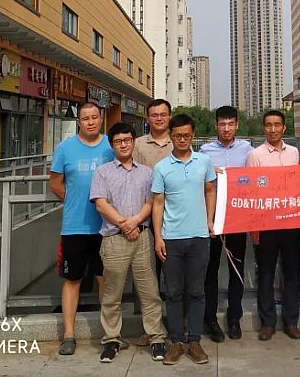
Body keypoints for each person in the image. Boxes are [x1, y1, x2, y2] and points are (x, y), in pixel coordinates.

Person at [90, 122, 166, 363]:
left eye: (127, 140)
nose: (123, 145)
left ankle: (156, 337)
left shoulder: (146, 173)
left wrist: (134, 222)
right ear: (112, 144)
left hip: (142, 238)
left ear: (134, 142)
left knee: (150, 292)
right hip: (114, 239)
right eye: (118, 141)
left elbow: (151, 202)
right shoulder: (102, 172)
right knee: (112, 294)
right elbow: (101, 204)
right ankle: (111, 340)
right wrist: (125, 224)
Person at [49, 102, 115, 356]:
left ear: (101, 119)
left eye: (94, 117)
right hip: (74, 226)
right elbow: (55, 184)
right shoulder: (65, 148)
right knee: (72, 279)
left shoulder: (111, 146)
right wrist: (75, 201)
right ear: (79, 121)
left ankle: (110, 334)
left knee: (105, 279)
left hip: (106, 226)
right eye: (85, 118)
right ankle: (69, 335)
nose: (90, 122)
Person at [152, 114, 216, 365]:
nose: (182, 139)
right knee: (173, 292)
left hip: (199, 236)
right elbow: (158, 203)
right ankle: (177, 342)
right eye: (177, 135)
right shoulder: (161, 167)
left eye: (186, 135)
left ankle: (195, 342)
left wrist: (209, 221)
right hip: (171, 238)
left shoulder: (204, 161)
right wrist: (158, 236)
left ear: (193, 135)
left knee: (197, 291)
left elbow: (210, 191)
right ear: (170, 136)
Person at [246, 110, 300, 341]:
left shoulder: (295, 153)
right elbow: (251, 191)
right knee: (266, 273)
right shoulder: (255, 155)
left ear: (284, 128)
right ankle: (267, 322)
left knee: (292, 273)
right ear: (263, 128)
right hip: (266, 223)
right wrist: (254, 226)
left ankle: (291, 321)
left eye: (277, 124)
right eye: (268, 125)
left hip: (291, 222)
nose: (273, 129)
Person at [199, 106, 253, 342]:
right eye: (222, 124)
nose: (227, 128)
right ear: (216, 126)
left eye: (231, 124)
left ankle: (234, 318)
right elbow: (198, 179)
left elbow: (260, 176)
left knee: (236, 269)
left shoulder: (248, 150)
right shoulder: (204, 152)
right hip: (211, 217)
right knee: (210, 270)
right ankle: (210, 320)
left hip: (237, 216)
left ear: (237, 125)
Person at [133, 98, 174, 346]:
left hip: (174, 220)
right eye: (154, 115)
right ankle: (151, 329)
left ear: (170, 117)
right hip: (145, 220)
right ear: (148, 118)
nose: (159, 119)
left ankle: (177, 326)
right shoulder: (137, 145)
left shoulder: (178, 142)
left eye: (163, 114)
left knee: (174, 277)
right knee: (148, 279)